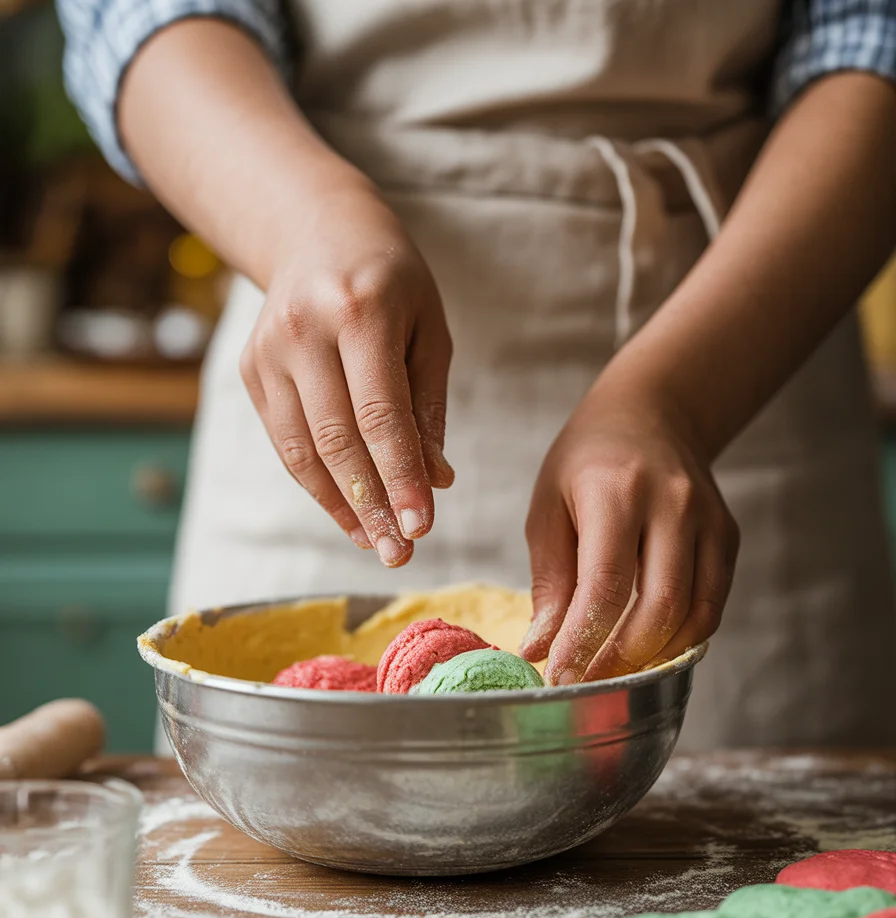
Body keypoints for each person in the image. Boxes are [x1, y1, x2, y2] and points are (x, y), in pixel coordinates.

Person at [58, 0, 896, 750]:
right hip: (323, 335)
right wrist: (304, 222)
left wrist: (677, 399)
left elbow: (869, 42)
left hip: (747, 334)